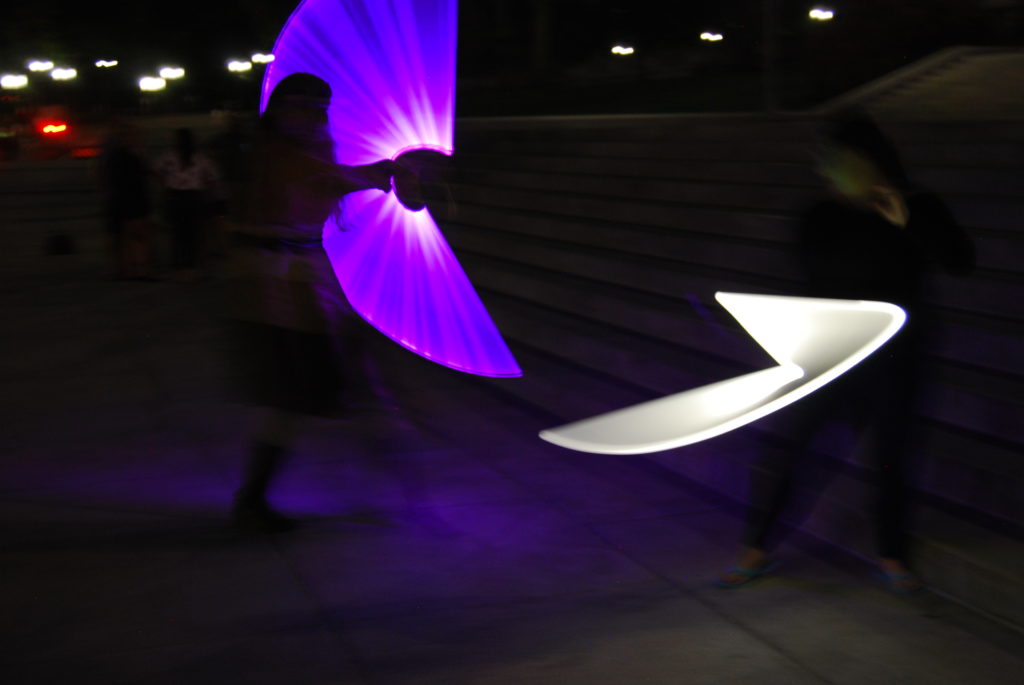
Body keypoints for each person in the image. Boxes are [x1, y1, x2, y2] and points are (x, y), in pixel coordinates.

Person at [715, 112, 974, 593]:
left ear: (868, 159)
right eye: (826, 159)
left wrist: (906, 220)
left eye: (836, 158)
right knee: (791, 446)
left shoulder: (916, 206)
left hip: (897, 353)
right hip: (831, 350)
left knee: (891, 455)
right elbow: (816, 274)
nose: (826, 167)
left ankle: (892, 555)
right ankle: (756, 548)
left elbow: (960, 261)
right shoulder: (820, 215)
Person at [226, 73, 401, 532]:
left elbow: (326, 181)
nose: (309, 117)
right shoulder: (270, 155)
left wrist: (379, 175)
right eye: (298, 107)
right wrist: (380, 174)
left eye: (317, 109)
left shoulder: (310, 149)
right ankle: (253, 499)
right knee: (295, 394)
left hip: (303, 282)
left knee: (321, 388)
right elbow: (317, 181)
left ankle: (259, 496)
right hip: (274, 287)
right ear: (278, 110)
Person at [154, 128, 220, 281]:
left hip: (177, 196)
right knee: (192, 233)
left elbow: (156, 170)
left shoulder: (170, 156)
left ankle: (180, 267)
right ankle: (192, 267)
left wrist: (166, 183)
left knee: (179, 233)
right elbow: (213, 177)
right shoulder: (199, 158)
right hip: (193, 196)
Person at [98, 119, 157, 280]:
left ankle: (134, 268)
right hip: (130, 197)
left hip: (130, 197)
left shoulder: (121, 154)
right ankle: (138, 269)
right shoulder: (125, 155)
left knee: (132, 235)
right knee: (135, 235)